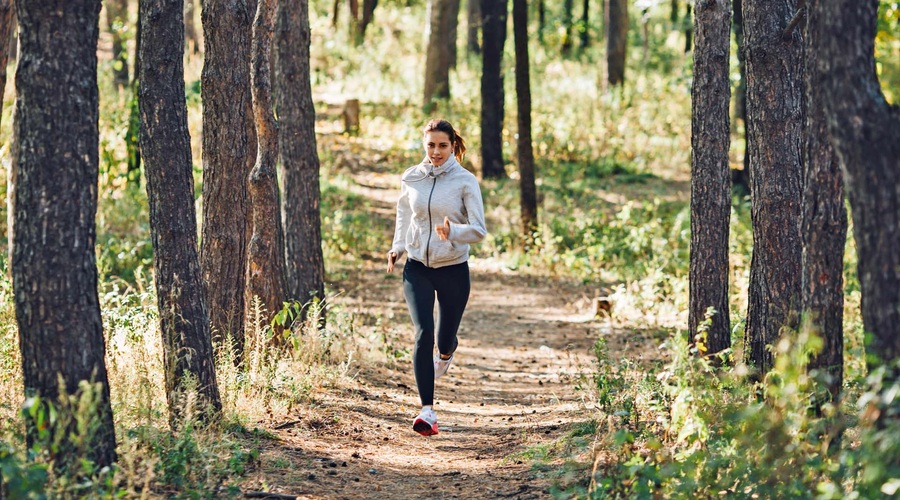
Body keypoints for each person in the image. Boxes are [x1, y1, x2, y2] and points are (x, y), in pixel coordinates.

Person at [387, 119, 487, 436]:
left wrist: (453, 231)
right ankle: (427, 412)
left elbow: (479, 230)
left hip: (453, 267)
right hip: (417, 266)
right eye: (430, 145)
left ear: (453, 145)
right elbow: (404, 214)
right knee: (422, 333)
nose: (436, 152)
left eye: (442, 145)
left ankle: (446, 352)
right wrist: (398, 247)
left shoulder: (465, 181)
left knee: (443, 340)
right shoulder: (412, 177)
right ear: (424, 145)